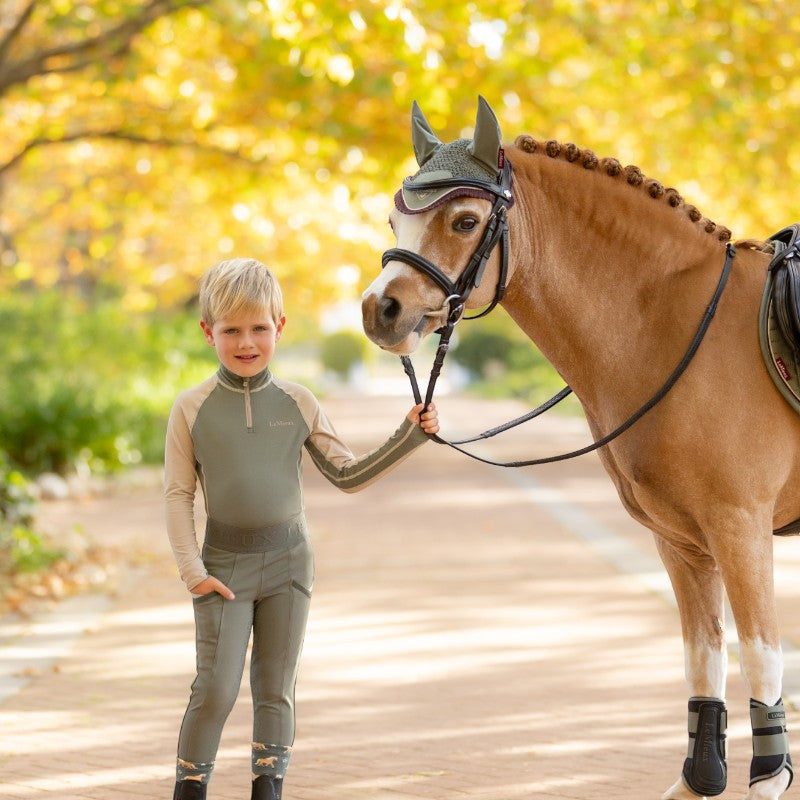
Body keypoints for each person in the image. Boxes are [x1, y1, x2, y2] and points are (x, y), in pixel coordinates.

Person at [164, 257, 439, 800]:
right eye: (232, 330)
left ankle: (268, 789)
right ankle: (188, 790)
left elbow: (346, 474)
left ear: (280, 326)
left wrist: (410, 437)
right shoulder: (191, 408)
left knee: (275, 688)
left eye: (260, 328)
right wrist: (193, 571)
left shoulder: (297, 402)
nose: (247, 342)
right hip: (222, 568)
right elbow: (178, 495)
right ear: (208, 332)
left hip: (289, 564)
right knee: (215, 688)